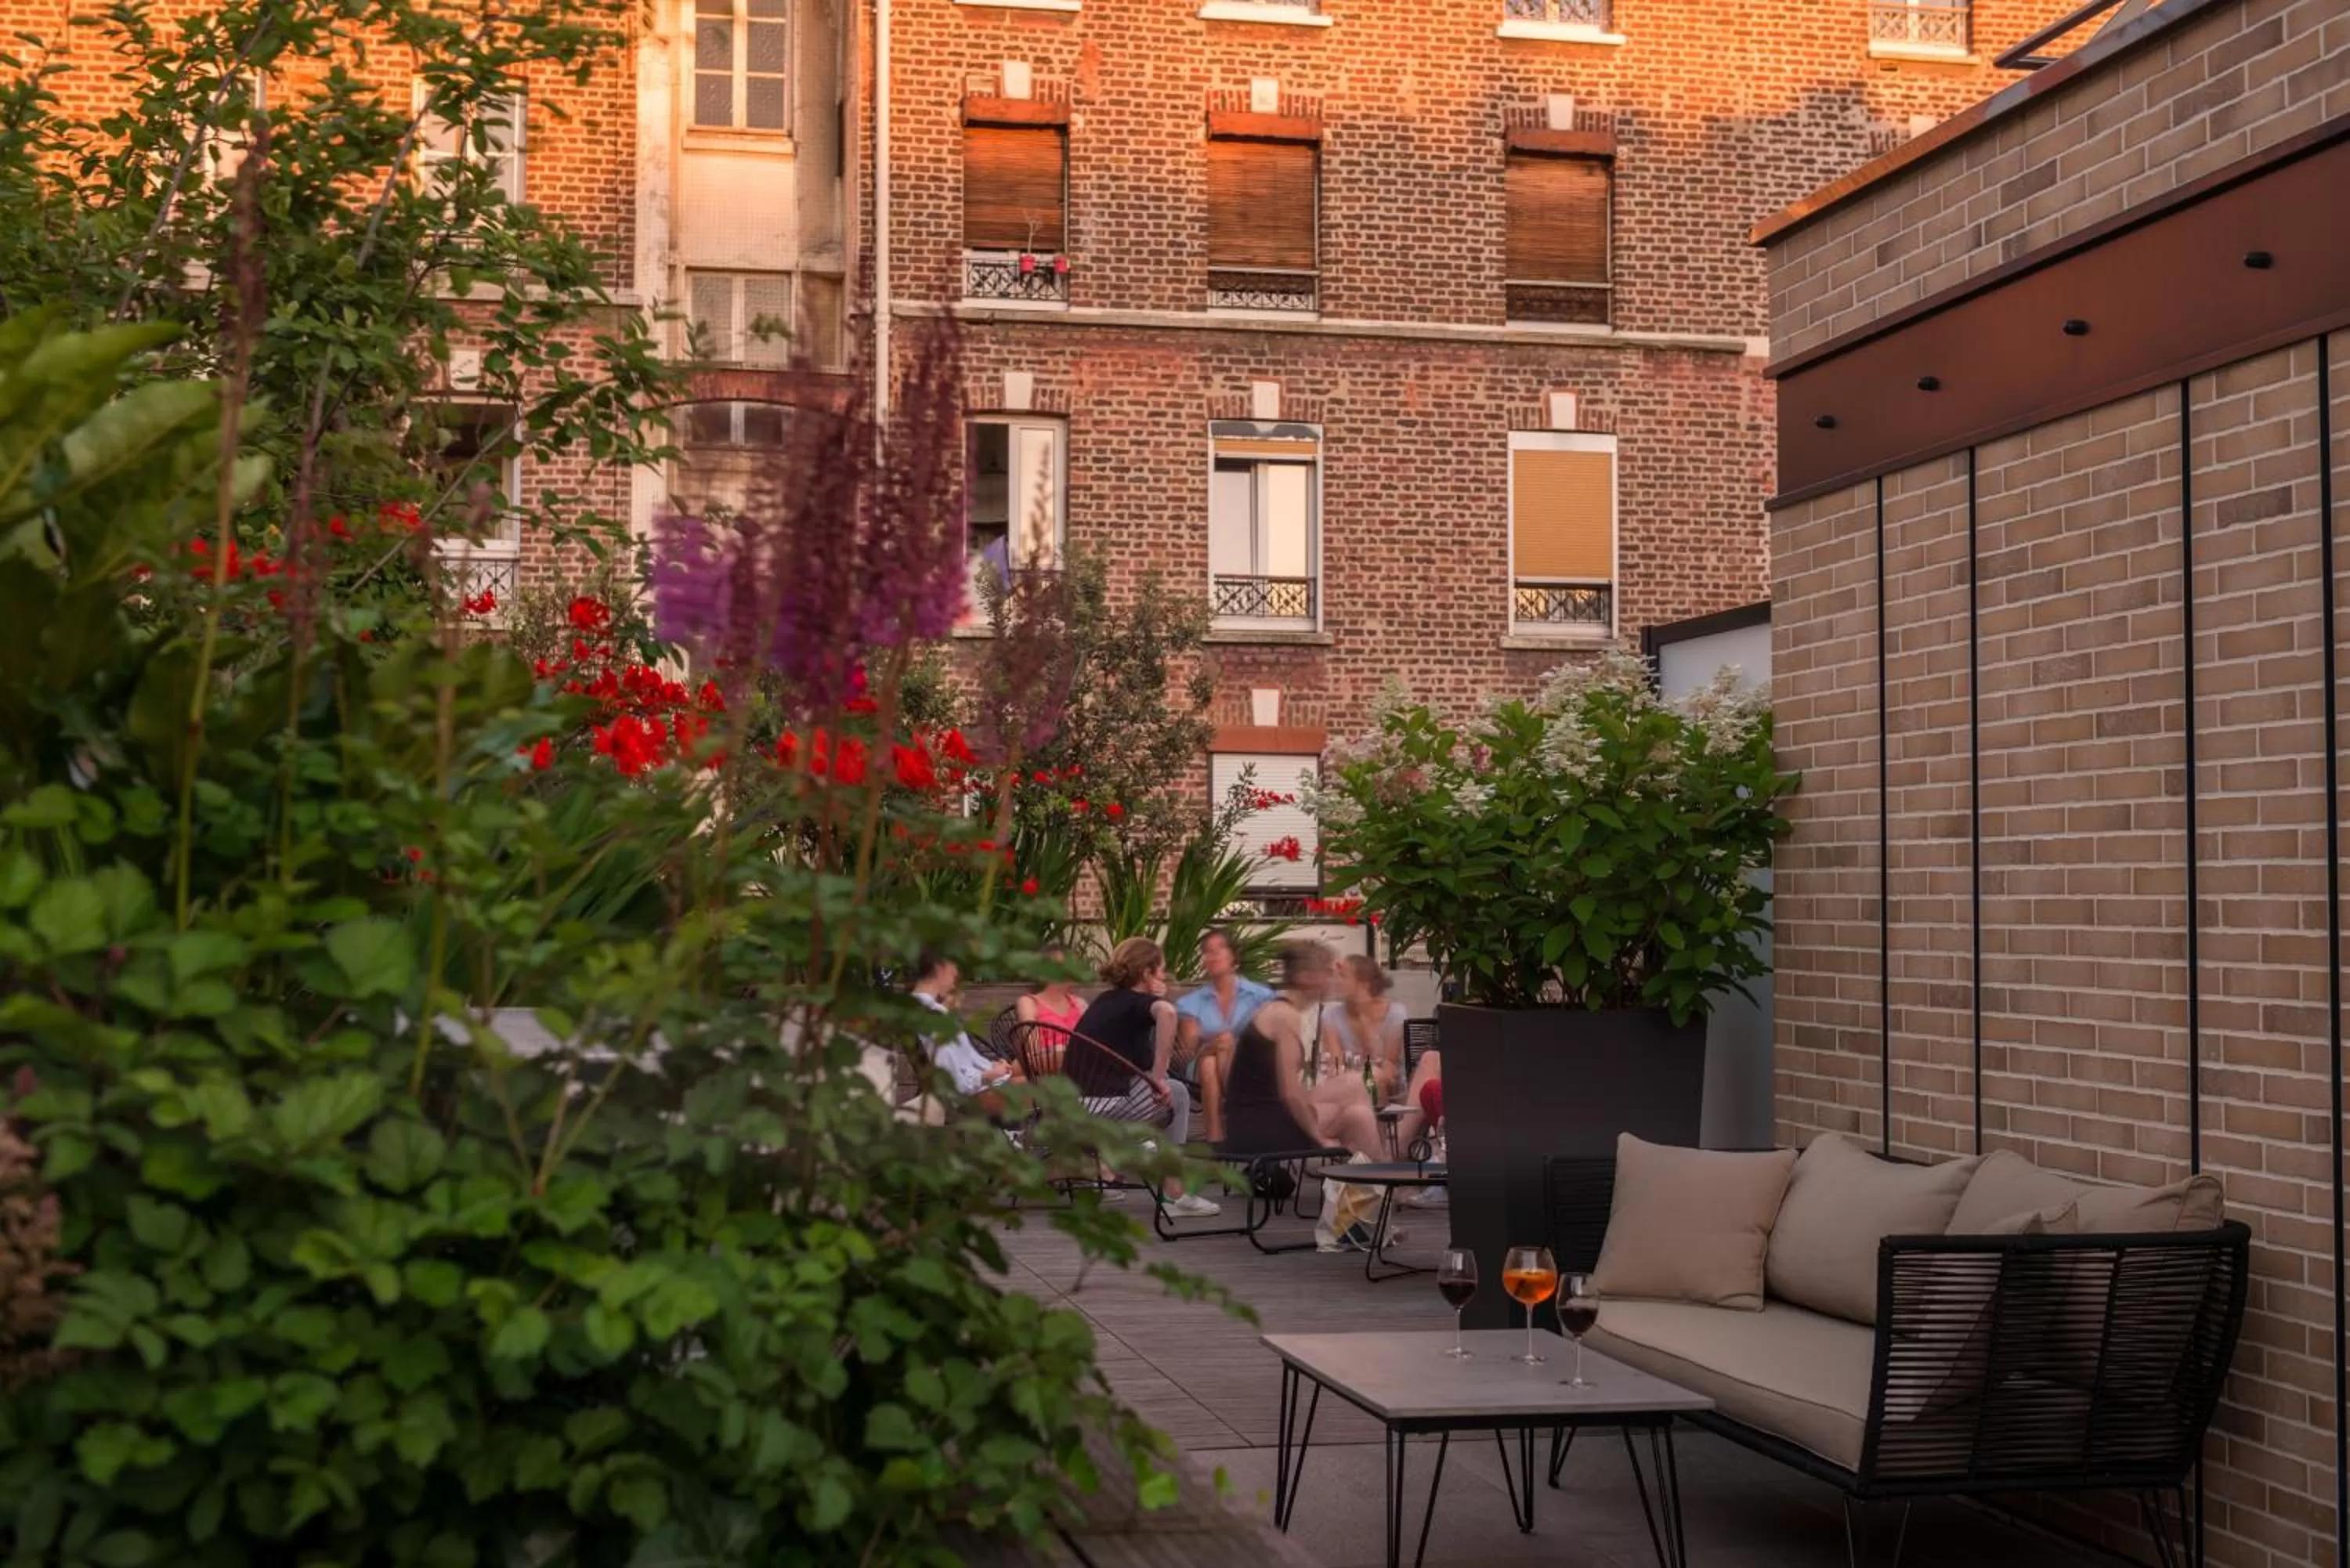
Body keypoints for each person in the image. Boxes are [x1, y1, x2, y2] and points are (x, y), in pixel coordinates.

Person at [1068, 938, 1220, 1217]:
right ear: (1147, 973)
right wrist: (1158, 1079)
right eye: (1161, 970)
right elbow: (1168, 1013)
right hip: (1102, 1108)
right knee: (1177, 1093)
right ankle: (1174, 1194)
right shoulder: (1138, 1004)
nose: (1165, 976)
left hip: (1077, 1104)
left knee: (1169, 1093)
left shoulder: (1107, 1002)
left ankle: (1145, 1161)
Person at [1220, 941, 1384, 1169]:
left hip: (1252, 1120)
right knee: (1358, 1110)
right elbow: (1291, 1093)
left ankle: (1371, 1185)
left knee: (1357, 1100)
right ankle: (1383, 1184)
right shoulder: (1285, 1016)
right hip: (1261, 1129)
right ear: (1306, 977)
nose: (1333, 979)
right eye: (1327, 972)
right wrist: (1319, 1138)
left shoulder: (1275, 1009)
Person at [1176, 927, 1274, 1143]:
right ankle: (1242, 1108)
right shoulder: (1190, 1003)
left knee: (1211, 1062)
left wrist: (1223, 1044)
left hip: (1252, 1064)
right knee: (1218, 1049)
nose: (1213, 955)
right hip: (1198, 1072)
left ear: (1234, 956)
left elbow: (1267, 1039)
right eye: (1208, 951)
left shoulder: (1261, 996)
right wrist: (1216, 1043)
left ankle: (1215, 1140)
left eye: (1219, 949)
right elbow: (1187, 1052)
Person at [908, 952, 1015, 1104]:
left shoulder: (919, 1009)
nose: (953, 984)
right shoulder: (933, 1015)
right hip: (967, 1098)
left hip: (974, 1087)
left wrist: (992, 1069)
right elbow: (955, 1083)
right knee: (1042, 1087)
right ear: (940, 968)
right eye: (953, 974)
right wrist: (988, 1075)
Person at [1318, 955, 1408, 1103]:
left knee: (1374, 1075)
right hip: (1346, 1083)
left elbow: (1388, 1066)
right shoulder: (1330, 1014)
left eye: (1343, 976)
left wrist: (1362, 1015)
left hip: (1388, 1086)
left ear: (1364, 984)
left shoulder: (1396, 1013)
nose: (1336, 981)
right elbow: (1336, 1065)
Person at [1014, 951, 1085, 1060]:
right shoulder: (1029, 1003)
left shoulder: (1080, 1004)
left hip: (1083, 1063)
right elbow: (1033, 1050)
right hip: (1047, 1063)